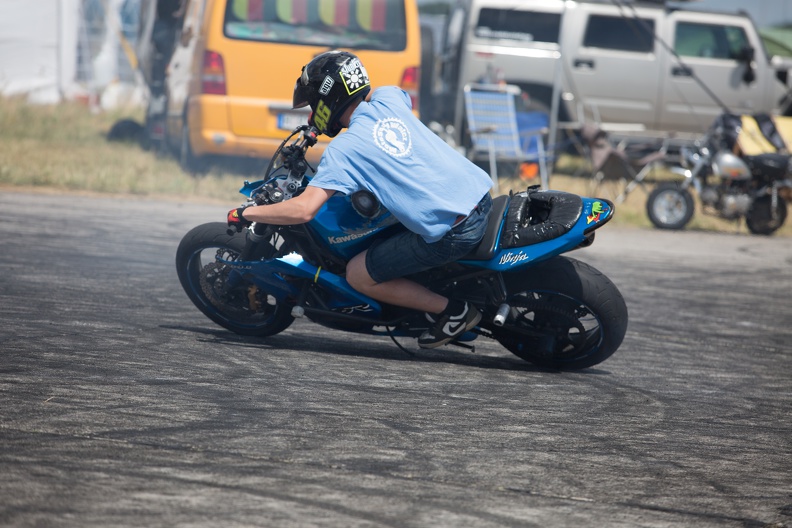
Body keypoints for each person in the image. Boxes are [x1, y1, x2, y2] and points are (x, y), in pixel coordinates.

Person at [227, 50, 493, 348]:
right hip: (477, 195)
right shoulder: (389, 99)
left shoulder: (345, 151)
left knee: (358, 274)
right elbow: (396, 101)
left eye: (314, 103)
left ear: (328, 99)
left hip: (455, 231)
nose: (312, 111)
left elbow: (304, 210)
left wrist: (248, 214)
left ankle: (453, 312)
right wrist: (319, 126)